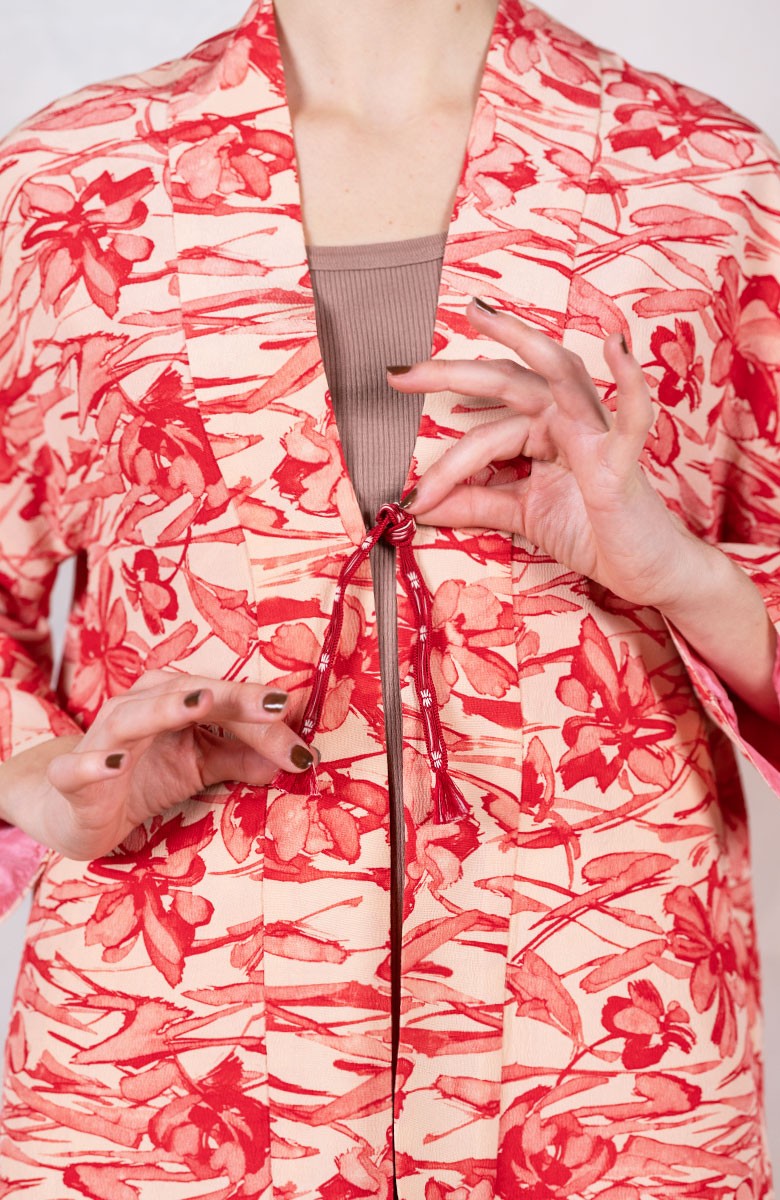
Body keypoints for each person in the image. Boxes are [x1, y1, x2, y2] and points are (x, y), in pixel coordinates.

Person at [0, 0, 778, 1196]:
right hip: (167, 1061)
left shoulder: (707, 184)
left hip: (601, 1062)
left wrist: (679, 572)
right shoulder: (63, 190)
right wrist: (41, 789)